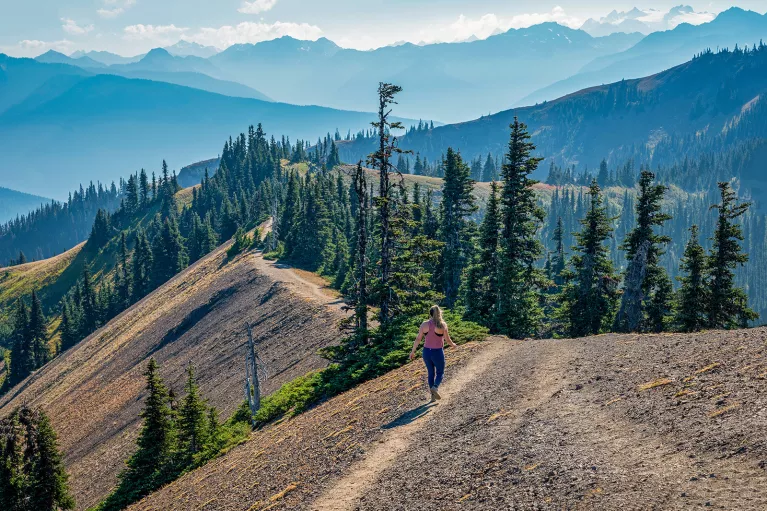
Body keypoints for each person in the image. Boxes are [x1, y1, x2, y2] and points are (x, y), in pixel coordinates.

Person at [409, 305, 458, 402]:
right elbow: (448, 340)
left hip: (426, 352)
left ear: (430, 314)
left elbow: (418, 339)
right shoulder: (442, 325)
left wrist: (412, 351)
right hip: (437, 352)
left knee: (431, 373)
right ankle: (435, 387)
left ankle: (432, 396)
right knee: (440, 372)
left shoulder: (424, 324)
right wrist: (454, 345)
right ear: (439, 313)